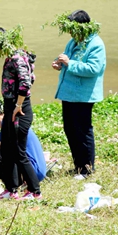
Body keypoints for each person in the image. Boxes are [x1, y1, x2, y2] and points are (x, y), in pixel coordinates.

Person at [0, 26, 40, 199]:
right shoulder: (13, 56)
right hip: (11, 106)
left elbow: (26, 82)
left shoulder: (17, 56)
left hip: (20, 108)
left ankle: (34, 191)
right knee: (8, 150)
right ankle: (11, 190)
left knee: (19, 151)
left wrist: (18, 105)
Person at [50, 10, 106, 177]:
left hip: (83, 95)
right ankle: (78, 166)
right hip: (68, 93)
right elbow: (66, 57)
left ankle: (87, 169)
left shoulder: (96, 44)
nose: (71, 33)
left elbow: (93, 69)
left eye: (73, 29)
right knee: (70, 129)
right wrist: (59, 63)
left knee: (82, 131)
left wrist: (70, 63)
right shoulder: (74, 41)